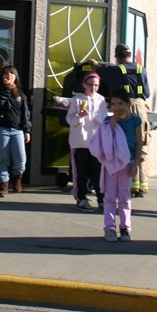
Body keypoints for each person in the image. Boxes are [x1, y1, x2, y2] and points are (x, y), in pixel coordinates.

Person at [89, 44, 151, 197]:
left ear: (117, 57)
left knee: (125, 143)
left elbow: (101, 72)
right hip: (142, 108)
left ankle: (129, 183)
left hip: (126, 110)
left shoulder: (116, 70)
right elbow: (147, 93)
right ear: (129, 55)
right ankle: (141, 185)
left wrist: (94, 65)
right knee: (141, 143)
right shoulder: (141, 70)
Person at [89, 89, 141, 242]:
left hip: (127, 164)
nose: (117, 107)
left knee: (125, 197)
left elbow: (139, 143)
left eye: (121, 103)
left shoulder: (135, 121)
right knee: (110, 197)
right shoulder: (107, 121)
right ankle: (109, 227)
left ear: (128, 104)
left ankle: (125, 228)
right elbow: (104, 143)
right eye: (113, 104)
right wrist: (111, 125)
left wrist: (136, 163)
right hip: (110, 165)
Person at [66, 72, 108, 211]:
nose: (93, 87)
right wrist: (80, 116)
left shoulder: (101, 99)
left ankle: (102, 199)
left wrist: (100, 122)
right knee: (80, 172)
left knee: (98, 173)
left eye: (96, 85)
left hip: (96, 142)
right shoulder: (77, 100)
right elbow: (70, 120)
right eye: (91, 84)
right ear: (84, 84)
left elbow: (104, 119)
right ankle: (81, 198)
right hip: (80, 142)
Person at [0, 65, 31, 197]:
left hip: (17, 130)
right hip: (1, 128)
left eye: (11, 74)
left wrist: (27, 130)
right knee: (2, 158)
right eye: (6, 74)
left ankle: (17, 179)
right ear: (2, 77)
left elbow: (25, 113)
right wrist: (6, 91)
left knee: (20, 158)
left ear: (15, 77)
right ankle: (3, 185)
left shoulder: (20, 93)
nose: (8, 76)